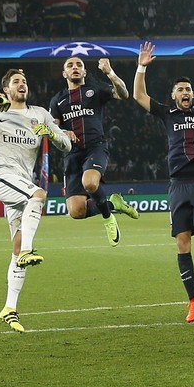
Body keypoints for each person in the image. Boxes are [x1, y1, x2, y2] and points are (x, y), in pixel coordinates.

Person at [0, 68, 71, 332]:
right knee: (39, 194)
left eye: (24, 81)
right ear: (6, 89)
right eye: (16, 82)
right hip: (2, 176)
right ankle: (29, 251)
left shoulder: (40, 113)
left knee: (17, 247)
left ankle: (9, 308)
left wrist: (53, 133)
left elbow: (66, 144)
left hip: (22, 182)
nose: (22, 84)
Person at [132, 24, 194, 323]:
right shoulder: (165, 113)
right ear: (173, 96)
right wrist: (141, 69)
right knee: (182, 241)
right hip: (178, 185)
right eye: (180, 90)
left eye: (188, 90)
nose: (186, 93)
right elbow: (138, 95)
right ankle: (193, 300)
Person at [49, 54, 137, 247]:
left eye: (79, 65)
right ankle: (114, 203)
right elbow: (52, 128)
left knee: (89, 183)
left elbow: (123, 94)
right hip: (72, 155)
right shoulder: (57, 100)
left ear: (84, 71)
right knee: (76, 212)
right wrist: (63, 131)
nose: (75, 67)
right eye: (70, 65)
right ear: (64, 73)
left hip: (95, 148)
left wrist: (110, 73)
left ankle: (108, 218)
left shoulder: (95, 90)